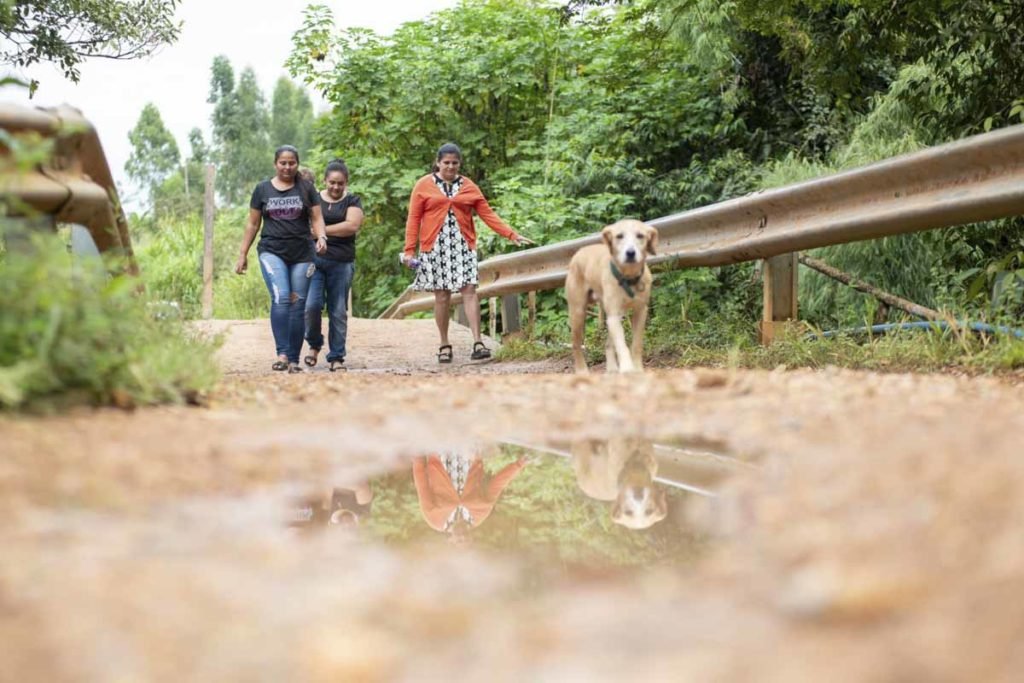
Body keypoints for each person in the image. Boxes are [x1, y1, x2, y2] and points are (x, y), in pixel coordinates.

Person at [403, 142, 533, 364]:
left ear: (459, 164)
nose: (451, 167)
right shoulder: (423, 185)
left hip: (463, 245)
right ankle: (444, 344)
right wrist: (408, 250)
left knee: (469, 290)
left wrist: (511, 234)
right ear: (438, 163)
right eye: (446, 163)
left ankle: (477, 342)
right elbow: (414, 218)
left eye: (455, 163)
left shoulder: (468, 186)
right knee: (442, 295)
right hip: (435, 246)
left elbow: (487, 214)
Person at [235, 145, 327, 373]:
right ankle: (282, 353)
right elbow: (253, 224)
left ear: (297, 163)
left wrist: (322, 236)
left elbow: (317, 217)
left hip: (303, 254)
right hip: (271, 251)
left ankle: (294, 359)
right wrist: (242, 253)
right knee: (282, 297)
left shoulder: (306, 188)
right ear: (276, 164)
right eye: (283, 163)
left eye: (292, 163)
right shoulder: (262, 190)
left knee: (298, 303)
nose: (287, 167)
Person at [303, 159, 364, 372]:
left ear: (346, 182)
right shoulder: (314, 199)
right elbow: (304, 224)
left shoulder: (353, 201)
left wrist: (321, 230)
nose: (336, 187)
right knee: (311, 306)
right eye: (332, 183)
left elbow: (352, 225)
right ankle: (314, 344)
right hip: (314, 261)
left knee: (338, 311)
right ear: (325, 181)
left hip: (342, 263)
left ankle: (336, 356)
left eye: (340, 183)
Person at [412, 453, 526, 545]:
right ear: (472, 538)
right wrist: (519, 465)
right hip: (470, 453)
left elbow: (422, 485)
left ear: (450, 541)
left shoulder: (434, 520)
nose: (462, 536)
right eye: (466, 540)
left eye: (458, 541)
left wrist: (418, 459)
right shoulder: (480, 515)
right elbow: (497, 484)